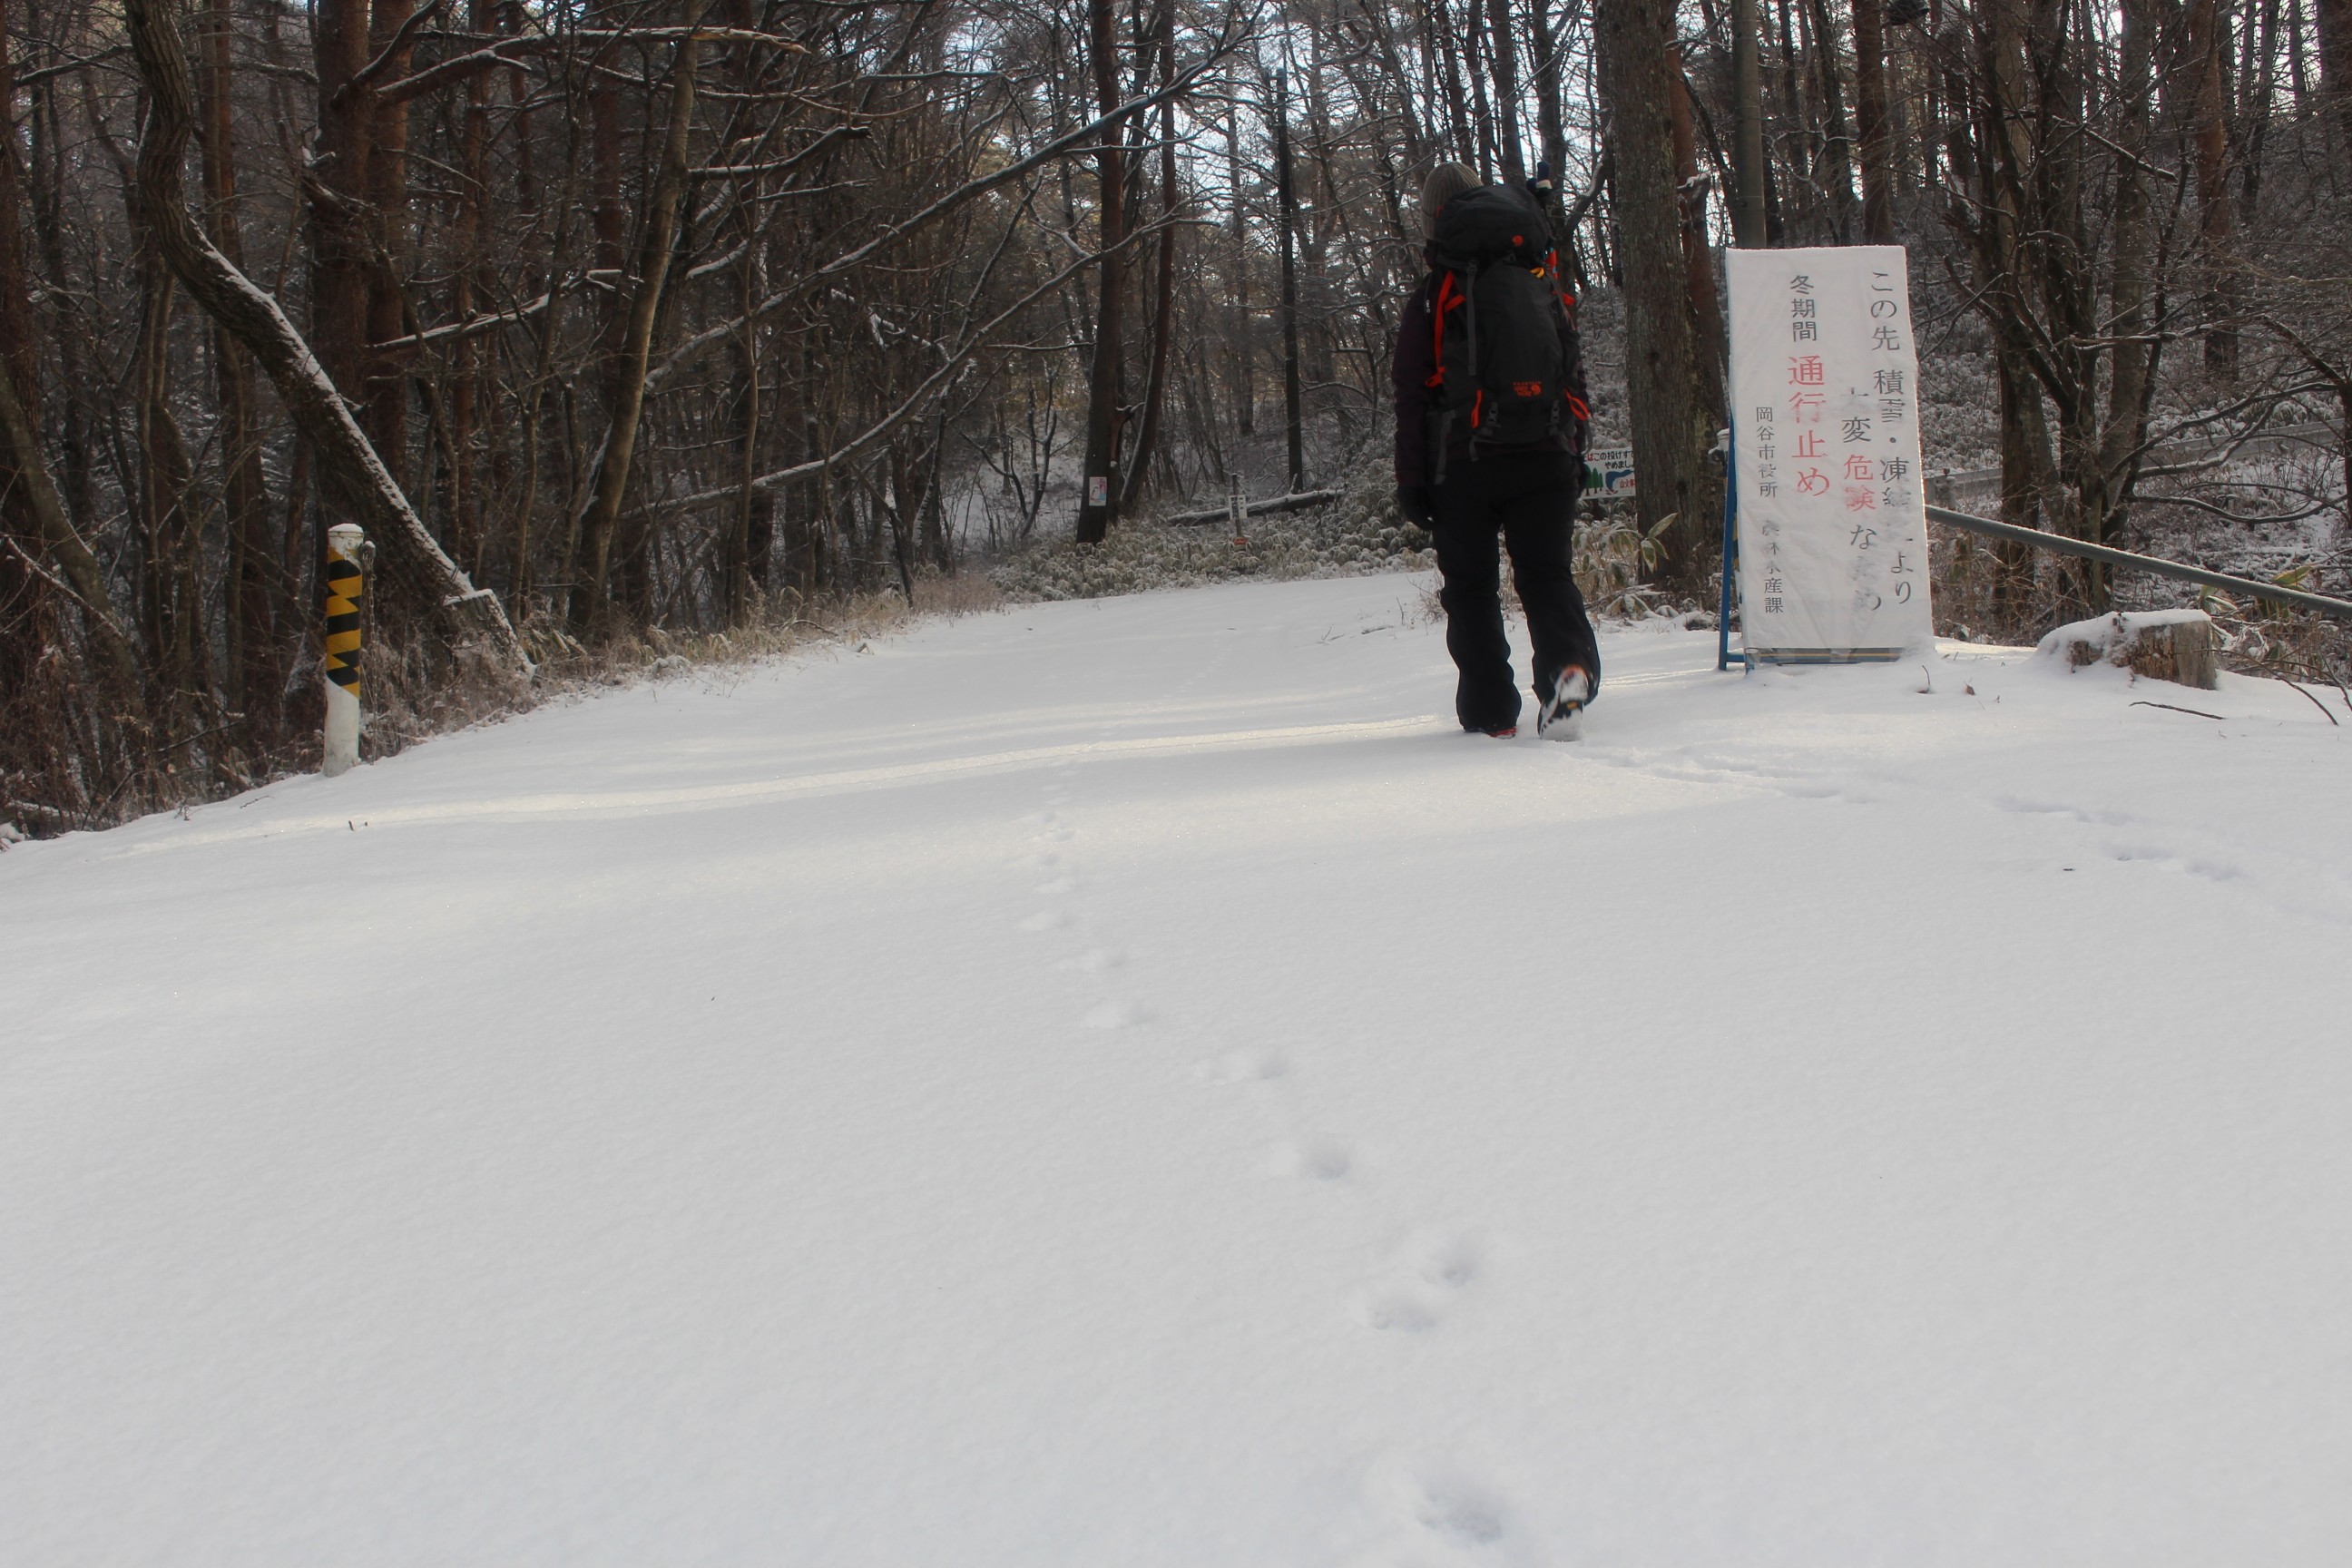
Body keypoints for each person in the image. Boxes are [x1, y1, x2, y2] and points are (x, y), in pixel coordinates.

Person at [1393, 161, 1602, 740]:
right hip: (1547, 451)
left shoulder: (1435, 296)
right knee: (1546, 575)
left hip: (1464, 463)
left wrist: (1411, 478)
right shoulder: (1541, 278)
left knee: (1472, 587)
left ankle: (1489, 711)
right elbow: (1574, 372)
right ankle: (1566, 678)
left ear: (1434, 219)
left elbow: (1412, 396)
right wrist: (1573, 448)